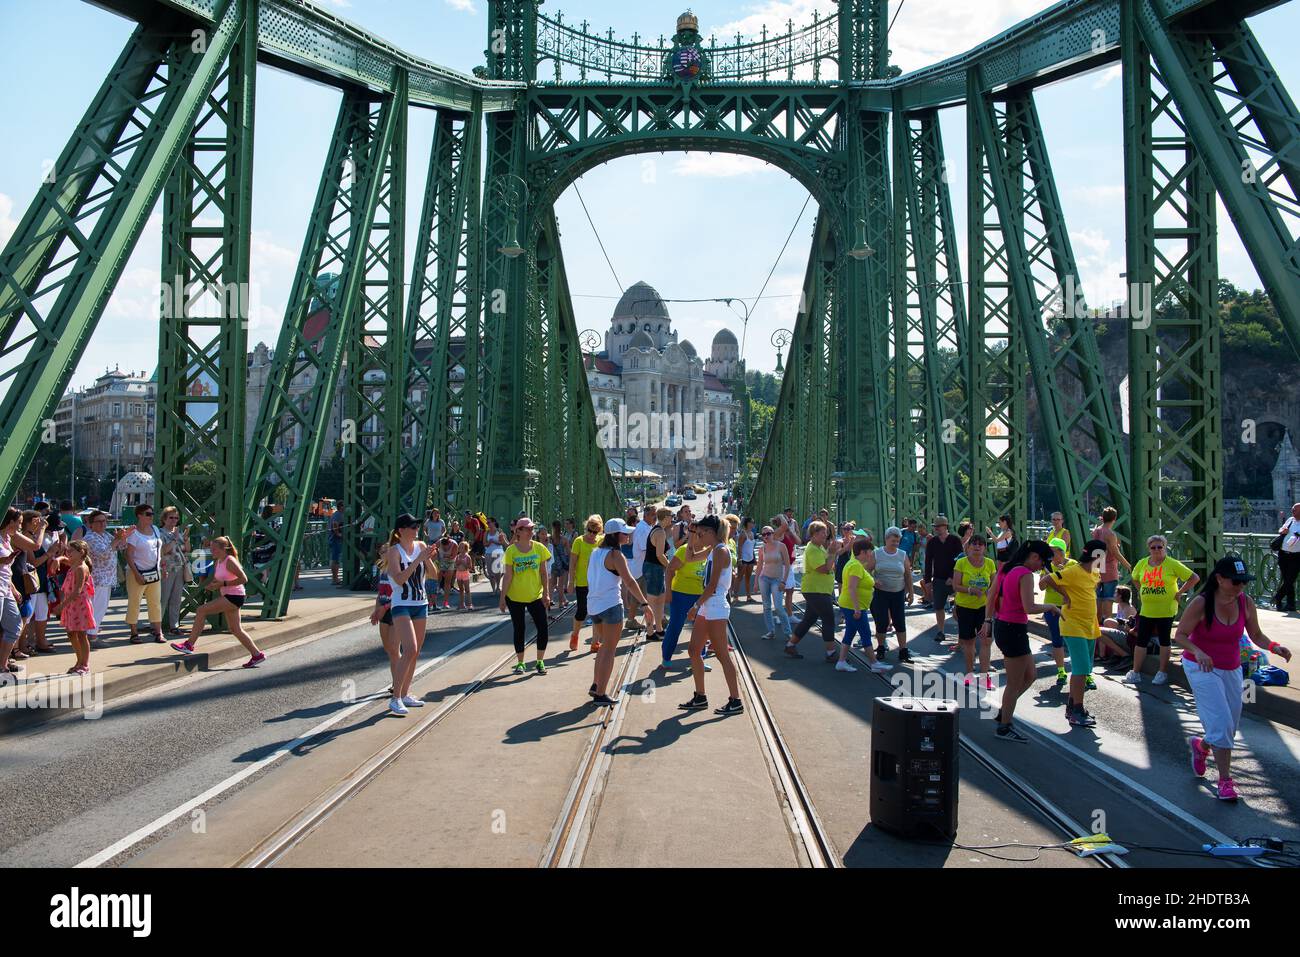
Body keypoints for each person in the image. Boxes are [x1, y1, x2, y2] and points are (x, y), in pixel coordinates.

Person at [1175, 556, 1292, 801]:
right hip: (1201, 667)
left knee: (1230, 724)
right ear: (1219, 579)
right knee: (1220, 722)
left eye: (1244, 581)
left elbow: (1256, 634)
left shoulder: (1245, 602)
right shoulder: (1201, 603)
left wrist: (1274, 646)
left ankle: (1202, 746)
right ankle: (1226, 781)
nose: (1240, 586)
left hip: (1231, 667)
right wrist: (1198, 651)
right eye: (1235, 581)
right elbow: (1181, 635)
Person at [980, 541, 1056, 742]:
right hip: (1014, 629)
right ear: (1034, 557)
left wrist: (988, 620)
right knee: (1014, 684)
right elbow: (1029, 608)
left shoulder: (1006, 569)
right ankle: (1004, 726)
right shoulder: (1025, 574)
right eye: (1041, 564)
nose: (1041, 568)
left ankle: (1004, 712)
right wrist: (1051, 607)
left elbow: (991, 594)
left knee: (1031, 675)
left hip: (1005, 626)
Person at [678, 516, 744, 716]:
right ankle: (700, 696)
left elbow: (713, 585)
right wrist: (690, 534)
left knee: (723, 655)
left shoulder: (721, 551)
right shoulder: (713, 550)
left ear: (712, 532)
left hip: (714, 605)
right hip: (708, 605)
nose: (699, 536)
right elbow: (689, 557)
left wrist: (695, 606)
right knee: (693, 650)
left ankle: (735, 700)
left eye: (701, 533)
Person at [586, 519, 655, 705]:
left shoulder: (595, 552)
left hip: (593, 606)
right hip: (610, 605)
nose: (628, 535)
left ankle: (595, 684)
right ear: (615, 535)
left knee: (603, 647)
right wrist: (644, 604)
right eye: (624, 533)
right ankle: (601, 693)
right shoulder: (617, 556)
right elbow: (630, 582)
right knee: (610, 649)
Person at [171, 536, 265, 668]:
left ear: (223, 549)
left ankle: (189, 644)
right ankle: (257, 655)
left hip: (234, 596)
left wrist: (223, 584)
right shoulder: (218, 562)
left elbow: (243, 579)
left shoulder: (230, 560)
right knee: (235, 629)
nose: (212, 551)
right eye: (211, 548)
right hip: (229, 595)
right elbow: (221, 580)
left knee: (201, 610)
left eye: (214, 549)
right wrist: (215, 585)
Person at [378, 515, 435, 715]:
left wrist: (427, 558)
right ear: (401, 530)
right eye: (412, 526)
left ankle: (405, 694)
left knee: (416, 652)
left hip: (421, 603)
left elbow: (434, 575)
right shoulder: (394, 552)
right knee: (409, 649)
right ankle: (395, 698)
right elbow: (400, 579)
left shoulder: (420, 545)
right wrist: (418, 559)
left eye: (417, 525)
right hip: (401, 604)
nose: (416, 529)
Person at [1125, 535, 1200, 686]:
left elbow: (1194, 578)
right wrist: (1141, 591)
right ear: (1149, 549)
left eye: (1160, 547)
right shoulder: (1142, 563)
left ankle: (1162, 672)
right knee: (1141, 640)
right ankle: (1135, 672)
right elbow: (1134, 578)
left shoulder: (1172, 564)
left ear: (1165, 548)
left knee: (1164, 640)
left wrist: (1179, 593)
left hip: (1166, 609)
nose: (1157, 550)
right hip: (1147, 609)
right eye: (1153, 547)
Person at [1051, 540, 1105, 728]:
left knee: (1083, 669)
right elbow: (1046, 580)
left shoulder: (1095, 572)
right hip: (1072, 624)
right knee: (1081, 669)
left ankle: (1072, 707)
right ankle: (1078, 710)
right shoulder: (1074, 571)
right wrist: (1064, 595)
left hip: (1090, 625)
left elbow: (1094, 588)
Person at [499, 517, 552, 674]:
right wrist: (502, 598)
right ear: (519, 531)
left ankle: (540, 661)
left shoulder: (539, 548)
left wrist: (547, 594)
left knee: (542, 627)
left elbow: (543, 573)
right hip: (514, 597)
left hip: (536, 596)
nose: (531, 531)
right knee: (519, 629)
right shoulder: (511, 551)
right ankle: (520, 663)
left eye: (532, 528)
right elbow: (508, 576)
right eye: (527, 529)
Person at [784, 520, 841, 662]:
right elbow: (824, 569)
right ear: (814, 534)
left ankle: (790, 645)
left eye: (826, 533)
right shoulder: (813, 549)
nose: (825, 535)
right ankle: (831, 653)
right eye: (823, 533)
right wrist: (833, 554)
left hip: (818, 589)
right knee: (828, 619)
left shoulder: (818, 547)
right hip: (816, 590)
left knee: (809, 619)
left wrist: (841, 549)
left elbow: (828, 561)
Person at [660, 527, 709, 670]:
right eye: (703, 535)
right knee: (676, 626)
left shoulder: (707, 551)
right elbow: (669, 570)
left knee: (701, 628)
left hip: (699, 595)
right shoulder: (684, 550)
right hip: (680, 594)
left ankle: (699, 659)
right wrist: (668, 592)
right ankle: (666, 657)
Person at [839, 538, 890, 673]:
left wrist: (873, 582)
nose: (871, 555)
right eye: (870, 552)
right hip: (853, 606)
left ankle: (841, 661)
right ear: (863, 552)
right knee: (866, 633)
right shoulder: (855, 566)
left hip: (851, 605)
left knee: (850, 633)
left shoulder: (855, 564)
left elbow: (860, 582)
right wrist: (856, 608)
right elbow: (851, 588)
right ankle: (874, 663)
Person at [114, 503, 164, 643]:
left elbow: (158, 550)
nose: (151, 516)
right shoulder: (134, 533)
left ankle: (158, 632)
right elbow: (128, 555)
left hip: (154, 572)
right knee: (134, 602)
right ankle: (134, 633)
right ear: (139, 516)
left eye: (152, 514)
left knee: (155, 603)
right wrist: (137, 574)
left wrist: (162, 566)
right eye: (148, 514)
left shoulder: (155, 530)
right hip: (137, 572)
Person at [864, 527, 914, 663]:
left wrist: (911, 593)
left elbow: (908, 575)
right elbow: (867, 570)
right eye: (893, 541)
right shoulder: (877, 553)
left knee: (899, 621)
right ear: (886, 539)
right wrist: (874, 581)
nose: (896, 543)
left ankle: (903, 651)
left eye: (898, 541)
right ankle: (880, 648)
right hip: (881, 593)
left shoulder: (902, 555)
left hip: (898, 593)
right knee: (882, 622)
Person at [953, 535, 995, 688]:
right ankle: (969, 674)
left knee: (986, 642)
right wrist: (971, 590)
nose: (977, 547)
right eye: (974, 544)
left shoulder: (990, 563)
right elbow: (956, 586)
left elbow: (994, 585)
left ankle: (984, 677)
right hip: (965, 607)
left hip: (984, 609)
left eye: (981, 544)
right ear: (968, 547)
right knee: (969, 642)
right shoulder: (961, 563)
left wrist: (990, 594)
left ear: (984, 548)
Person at [1039, 538, 1073, 688]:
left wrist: (1061, 572)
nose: (1050, 554)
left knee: (1073, 639)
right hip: (1052, 607)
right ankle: (1061, 671)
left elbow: (1074, 584)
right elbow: (1041, 587)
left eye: (1052, 551)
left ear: (1061, 551)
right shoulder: (1046, 566)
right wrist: (1047, 575)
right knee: (1057, 639)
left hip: (1069, 607)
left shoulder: (1072, 565)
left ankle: (1085, 673)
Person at [924, 517, 964, 641]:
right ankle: (940, 631)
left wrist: (953, 576)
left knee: (960, 608)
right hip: (938, 579)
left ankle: (962, 633)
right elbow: (928, 561)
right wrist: (927, 581)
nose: (936, 529)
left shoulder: (955, 540)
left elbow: (961, 560)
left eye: (938, 526)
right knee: (939, 607)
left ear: (946, 526)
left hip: (955, 579)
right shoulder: (932, 542)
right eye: (935, 526)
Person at [59, 540, 95, 675]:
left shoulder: (81, 568)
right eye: (67, 550)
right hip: (72, 606)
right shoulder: (74, 564)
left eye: (71, 551)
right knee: (71, 633)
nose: (68, 553)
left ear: (81, 553)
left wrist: (61, 605)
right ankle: (78, 662)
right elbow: (64, 560)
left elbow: (77, 591)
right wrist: (58, 558)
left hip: (79, 605)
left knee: (81, 635)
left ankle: (85, 664)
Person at [567, 515, 602, 652]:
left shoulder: (601, 541)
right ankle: (575, 635)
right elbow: (572, 563)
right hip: (582, 582)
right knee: (582, 611)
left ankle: (595, 642)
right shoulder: (579, 541)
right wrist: (570, 581)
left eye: (595, 532)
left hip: (598, 583)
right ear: (586, 528)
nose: (592, 534)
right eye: (590, 531)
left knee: (597, 613)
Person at [81, 511, 116, 644]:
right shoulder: (90, 538)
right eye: (99, 521)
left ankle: (92, 634)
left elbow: (120, 546)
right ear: (91, 524)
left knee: (101, 606)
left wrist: (123, 537)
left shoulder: (106, 535)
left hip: (107, 578)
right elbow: (104, 554)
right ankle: (91, 636)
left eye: (104, 521)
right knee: (97, 607)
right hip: (98, 578)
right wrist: (117, 540)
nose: (103, 524)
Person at [0, 508, 28, 674]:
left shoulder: (7, 538)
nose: (20, 526)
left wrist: (13, 588)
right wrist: (4, 559)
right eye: (18, 522)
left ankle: (2, 665)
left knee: (15, 625)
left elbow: (5, 569)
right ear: (10, 521)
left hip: (6, 586)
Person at [1091, 506, 1131, 623]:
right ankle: (1106, 626)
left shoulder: (1096, 531)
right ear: (1114, 518)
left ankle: (1097, 626)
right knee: (1108, 599)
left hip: (1096, 569)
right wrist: (1127, 565)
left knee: (1098, 598)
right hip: (1109, 569)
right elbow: (1115, 552)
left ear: (1102, 517)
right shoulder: (1110, 534)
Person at [755, 524, 792, 641]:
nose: (766, 536)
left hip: (777, 580)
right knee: (766, 606)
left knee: (779, 607)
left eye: (768, 533)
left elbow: (787, 565)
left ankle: (788, 632)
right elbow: (760, 565)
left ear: (773, 534)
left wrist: (783, 582)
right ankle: (770, 631)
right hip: (764, 579)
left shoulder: (781, 546)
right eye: (764, 534)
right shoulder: (762, 549)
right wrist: (756, 582)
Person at [643, 507, 673, 643]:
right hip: (654, 568)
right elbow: (659, 555)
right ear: (666, 517)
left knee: (660, 599)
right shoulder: (660, 532)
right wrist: (670, 566)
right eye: (671, 516)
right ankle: (650, 632)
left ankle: (659, 629)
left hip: (654, 568)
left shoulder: (656, 529)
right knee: (652, 601)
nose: (672, 518)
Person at [157, 506, 188, 637]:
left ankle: (174, 625)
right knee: (163, 598)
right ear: (164, 519)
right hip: (166, 568)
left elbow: (187, 549)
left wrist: (185, 539)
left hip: (179, 567)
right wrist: (175, 539)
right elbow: (163, 550)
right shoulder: (159, 532)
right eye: (171, 517)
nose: (174, 520)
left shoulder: (178, 532)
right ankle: (156, 626)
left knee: (176, 598)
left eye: (176, 518)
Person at [1272, 503, 1300, 612]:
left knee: (1289, 580)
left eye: (1295, 510)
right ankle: (1291, 604)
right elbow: (1281, 529)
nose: (1293, 511)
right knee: (1287, 580)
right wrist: (1283, 531)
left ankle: (1278, 597)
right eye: (1293, 509)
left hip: (1296, 556)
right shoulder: (1290, 520)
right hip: (1283, 554)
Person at [776, 512, 801, 618]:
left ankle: (790, 615)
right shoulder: (778, 533)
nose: (789, 521)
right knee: (781, 592)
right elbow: (784, 525)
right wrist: (781, 516)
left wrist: (791, 531)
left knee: (790, 591)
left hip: (789, 565)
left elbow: (799, 542)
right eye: (787, 520)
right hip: (781, 566)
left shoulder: (788, 533)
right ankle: (780, 616)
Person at [733, 517, 757, 603]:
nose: (752, 524)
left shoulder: (752, 533)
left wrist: (754, 558)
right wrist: (739, 559)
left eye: (753, 523)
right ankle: (735, 597)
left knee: (748, 578)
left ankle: (748, 596)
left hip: (750, 559)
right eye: (751, 522)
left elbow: (752, 548)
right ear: (747, 523)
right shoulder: (743, 534)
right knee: (739, 577)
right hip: (743, 559)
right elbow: (739, 547)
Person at [549, 520, 570, 606]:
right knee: (560, 585)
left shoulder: (550, 539)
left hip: (553, 563)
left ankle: (549, 601)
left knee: (552, 584)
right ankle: (561, 604)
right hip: (562, 563)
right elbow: (568, 552)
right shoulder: (564, 539)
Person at [485, 518, 507, 595]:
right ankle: (493, 589)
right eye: (487, 522)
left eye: (489, 522)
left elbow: (503, 542)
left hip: (498, 552)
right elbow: (484, 543)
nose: (487, 524)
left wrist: (493, 541)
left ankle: (498, 586)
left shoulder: (499, 531)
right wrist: (489, 543)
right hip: (488, 553)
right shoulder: (486, 532)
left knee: (497, 571)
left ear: (494, 522)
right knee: (490, 572)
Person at [435, 536, 457, 610]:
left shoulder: (454, 544)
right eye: (443, 547)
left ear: (449, 543)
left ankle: (445, 603)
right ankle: (433, 603)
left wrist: (446, 556)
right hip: (441, 562)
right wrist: (437, 554)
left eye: (446, 547)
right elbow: (432, 548)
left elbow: (453, 556)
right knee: (436, 580)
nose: (444, 548)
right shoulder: (439, 542)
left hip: (450, 562)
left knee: (447, 583)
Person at [454, 540, 474, 611]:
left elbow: (470, 567)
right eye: (460, 547)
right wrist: (458, 563)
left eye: (462, 547)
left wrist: (464, 564)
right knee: (461, 590)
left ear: (466, 548)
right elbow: (455, 566)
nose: (461, 549)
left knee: (467, 590)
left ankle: (469, 604)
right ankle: (462, 604)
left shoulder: (467, 557)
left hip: (465, 573)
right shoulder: (457, 557)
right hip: (459, 573)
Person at [328, 509, 345, 587]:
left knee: (335, 559)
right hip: (335, 539)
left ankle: (335, 578)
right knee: (335, 559)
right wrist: (338, 534)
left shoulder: (336, 514)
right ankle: (335, 579)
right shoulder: (338, 514)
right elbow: (335, 524)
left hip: (334, 539)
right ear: (341, 507)